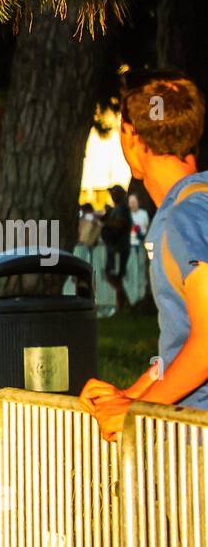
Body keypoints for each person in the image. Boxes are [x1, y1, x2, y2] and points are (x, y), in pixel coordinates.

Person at [82, 72, 208, 439]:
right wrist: (131, 395)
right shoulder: (190, 207)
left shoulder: (188, 214)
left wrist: (136, 411)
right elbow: (183, 343)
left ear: (131, 135)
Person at [101, 184, 134, 311]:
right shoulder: (117, 208)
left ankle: (123, 304)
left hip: (118, 248)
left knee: (114, 276)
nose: (112, 195)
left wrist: (105, 223)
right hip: (114, 247)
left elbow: (119, 224)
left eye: (114, 193)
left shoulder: (122, 208)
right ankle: (123, 305)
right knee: (113, 275)